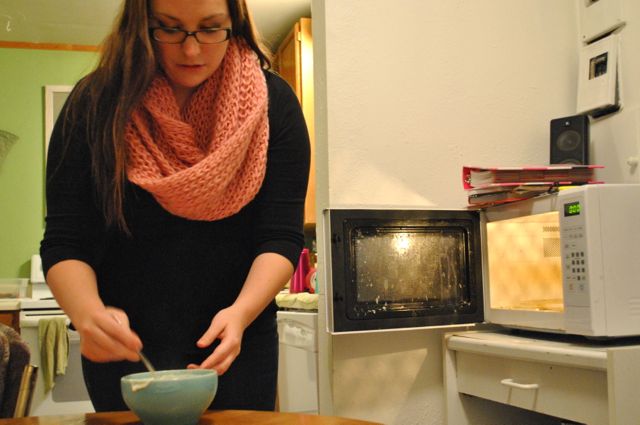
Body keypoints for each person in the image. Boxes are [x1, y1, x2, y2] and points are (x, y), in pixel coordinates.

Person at [40, 0, 310, 412]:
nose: (191, 50)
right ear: (139, 25)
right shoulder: (95, 105)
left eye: (210, 28)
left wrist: (240, 314)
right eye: (168, 28)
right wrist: (88, 312)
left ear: (234, 23)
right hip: (126, 357)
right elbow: (65, 240)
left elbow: (280, 236)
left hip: (237, 345)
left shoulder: (275, 107)